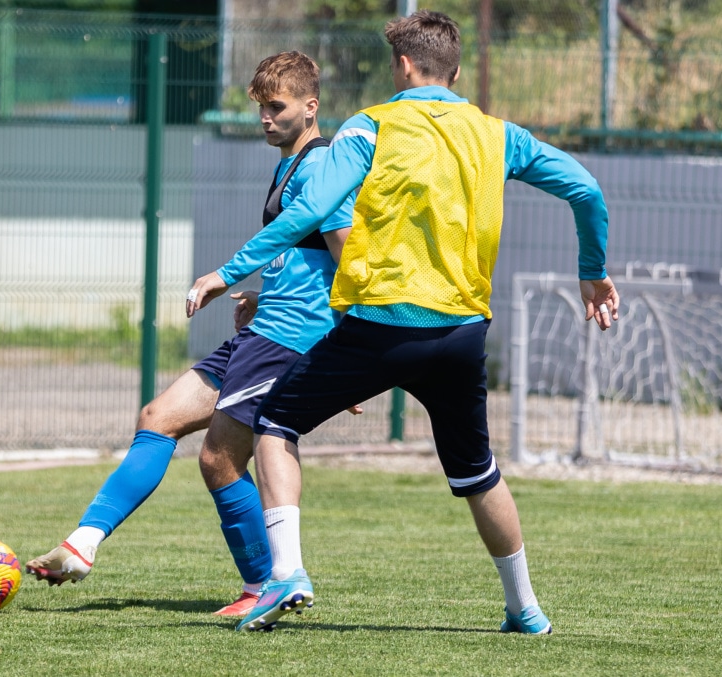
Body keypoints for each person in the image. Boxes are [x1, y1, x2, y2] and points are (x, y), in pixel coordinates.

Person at [186, 10, 620, 633]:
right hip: (462, 334)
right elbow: (586, 190)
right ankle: (525, 609)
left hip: (379, 329)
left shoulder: (371, 128)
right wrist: (592, 269)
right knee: (478, 473)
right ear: (456, 70)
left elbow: (312, 207)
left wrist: (228, 273)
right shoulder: (499, 135)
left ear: (404, 67)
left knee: (276, 425)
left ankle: (287, 575)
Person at [25, 51, 355, 617]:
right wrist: (262, 294)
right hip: (266, 328)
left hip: (289, 340)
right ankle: (83, 543)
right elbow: (305, 258)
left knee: (219, 460)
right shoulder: (289, 163)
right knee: (158, 418)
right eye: (261, 108)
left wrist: (348, 352)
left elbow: (350, 258)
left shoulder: (325, 167)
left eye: (277, 107)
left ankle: (265, 584)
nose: (265, 119)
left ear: (311, 105)